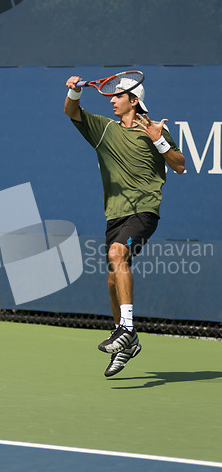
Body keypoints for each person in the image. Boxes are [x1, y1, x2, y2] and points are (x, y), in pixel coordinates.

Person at [64, 74, 185, 377]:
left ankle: (127, 329)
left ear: (134, 101)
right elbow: (71, 111)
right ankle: (127, 342)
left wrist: (159, 139)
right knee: (111, 279)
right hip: (114, 215)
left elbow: (180, 165)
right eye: (112, 97)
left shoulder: (154, 129)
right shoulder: (104, 130)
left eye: (118, 96)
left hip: (144, 211)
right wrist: (75, 92)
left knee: (118, 254)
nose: (112, 101)